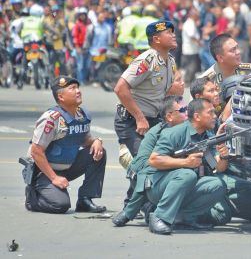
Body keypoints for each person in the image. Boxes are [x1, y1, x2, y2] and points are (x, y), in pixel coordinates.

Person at [190, 78, 251, 225]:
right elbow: (215, 166)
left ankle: (228, 202)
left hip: (220, 173)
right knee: (221, 216)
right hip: (200, 180)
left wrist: (223, 154)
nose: (217, 93)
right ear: (199, 97)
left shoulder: (213, 120)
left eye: (217, 90)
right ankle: (181, 213)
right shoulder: (190, 127)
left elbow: (218, 166)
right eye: (211, 91)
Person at [22, 76, 107, 214]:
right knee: (60, 205)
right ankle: (32, 198)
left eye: (77, 87)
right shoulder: (51, 119)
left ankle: (85, 200)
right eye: (72, 88)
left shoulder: (81, 115)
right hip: (43, 171)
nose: (78, 91)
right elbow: (36, 151)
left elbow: (84, 139)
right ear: (61, 97)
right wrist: (54, 178)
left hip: (67, 166)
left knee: (99, 152)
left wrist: (97, 140)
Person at [146, 98, 228, 234]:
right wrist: (185, 162)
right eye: (210, 112)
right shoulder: (175, 133)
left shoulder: (207, 136)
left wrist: (224, 155)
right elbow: (154, 160)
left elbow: (217, 167)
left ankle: (183, 218)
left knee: (217, 184)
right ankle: (159, 216)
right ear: (197, 116)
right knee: (187, 174)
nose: (215, 116)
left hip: (184, 186)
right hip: (157, 186)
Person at [112, 95, 188, 227]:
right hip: (147, 178)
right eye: (182, 111)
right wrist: (171, 162)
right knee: (149, 172)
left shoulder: (191, 128)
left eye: (187, 109)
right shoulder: (156, 133)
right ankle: (131, 211)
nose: (187, 114)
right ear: (169, 116)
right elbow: (141, 164)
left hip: (169, 177)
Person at [114, 20, 177, 163]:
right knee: (147, 162)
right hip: (132, 122)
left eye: (173, 32)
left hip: (154, 120)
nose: (173, 36)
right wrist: (140, 118)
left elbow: (164, 93)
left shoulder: (170, 62)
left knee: (168, 157)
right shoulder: (147, 60)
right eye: (168, 33)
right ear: (156, 39)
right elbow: (120, 88)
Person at [199, 33, 251, 121]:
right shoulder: (206, 80)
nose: (238, 52)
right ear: (220, 58)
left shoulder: (247, 70)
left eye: (237, 47)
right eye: (233, 50)